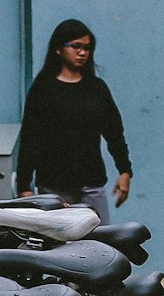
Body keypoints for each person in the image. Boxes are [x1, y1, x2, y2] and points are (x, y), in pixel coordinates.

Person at [15, 18, 131, 223]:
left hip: (91, 185)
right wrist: (24, 187)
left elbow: (114, 133)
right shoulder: (43, 90)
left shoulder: (96, 89)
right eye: (76, 46)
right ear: (58, 49)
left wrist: (125, 171)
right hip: (54, 188)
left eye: (87, 48)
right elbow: (31, 138)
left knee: (99, 239)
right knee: (57, 241)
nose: (82, 52)